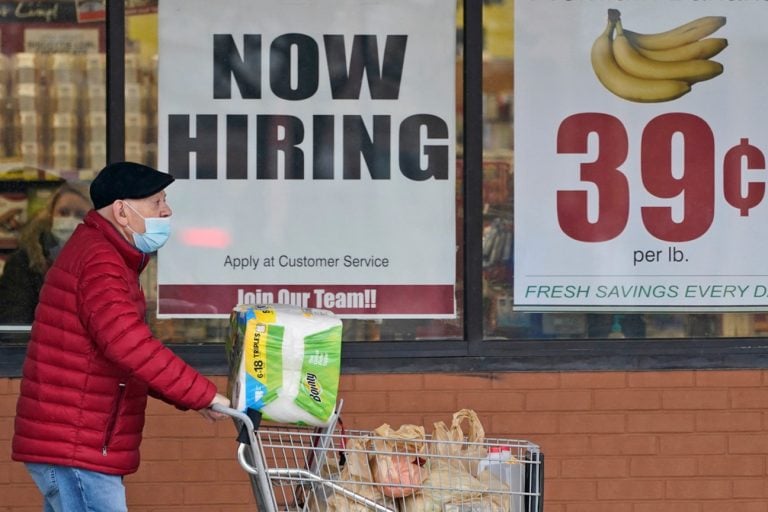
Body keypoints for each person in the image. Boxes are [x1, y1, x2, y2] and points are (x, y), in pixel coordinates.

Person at [12, 161, 231, 512]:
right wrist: (201, 393)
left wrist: (195, 398)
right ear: (122, 212)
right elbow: (129, 345)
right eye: (156, 202)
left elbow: (125, 353)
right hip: (77, 443)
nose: (166, 210)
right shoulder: (101, 261)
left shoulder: (103, 254)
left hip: (75, 440)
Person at [0, 182, 91, 324]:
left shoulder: (105, 262)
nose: (70, 220)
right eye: (64, 212)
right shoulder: (23, 262)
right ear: (51, 215)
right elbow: (14, 323)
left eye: (80, 215)